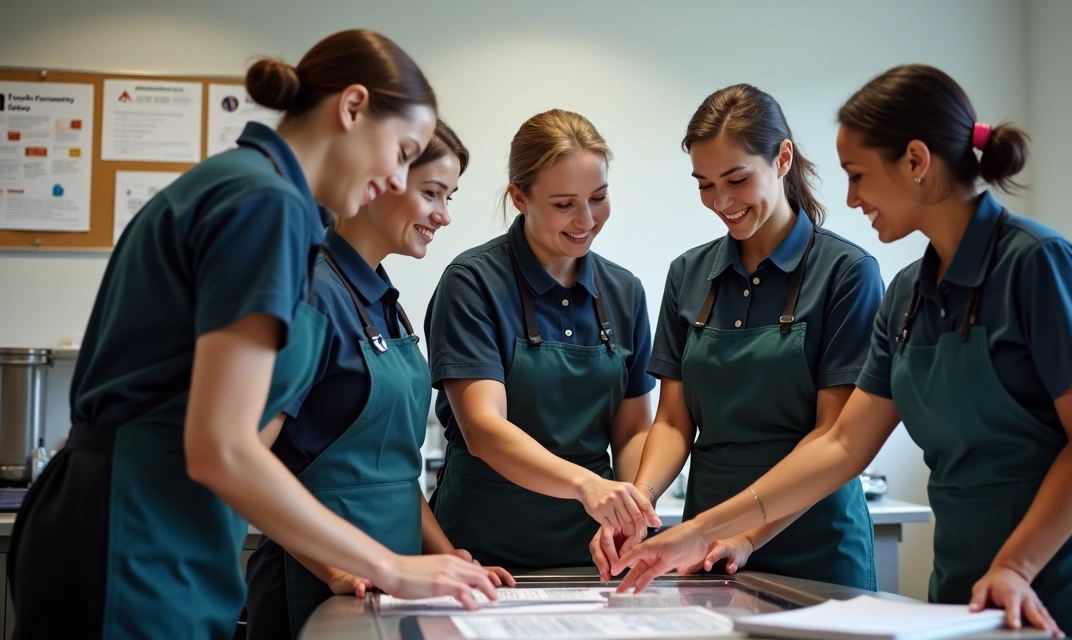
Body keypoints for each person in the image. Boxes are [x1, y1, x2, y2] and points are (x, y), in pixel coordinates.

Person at [613, 64, 1072, 640]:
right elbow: (844, 444)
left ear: (916, 162)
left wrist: (1016, 565)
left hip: (1059, 568)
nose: (849, 196)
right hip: (966, 568)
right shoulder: (909, 293)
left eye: (858, 174)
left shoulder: (1038, 263)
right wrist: (703, 530)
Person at [8, 30, 497, 640]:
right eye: (402, 153)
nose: (398, 179)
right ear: (351, 108)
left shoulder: (256, 190)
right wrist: (388, 565)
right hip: (135, 527)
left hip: (156, 522)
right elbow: (224, 447)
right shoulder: (264, 203)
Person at [590, 84, 880, 590]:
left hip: (815, 544)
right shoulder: (689, 274)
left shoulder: (847, 273)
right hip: (707, 552)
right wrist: (639, 506)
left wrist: (748, 536)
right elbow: (675, 421)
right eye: (704, 184)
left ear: (782, 158)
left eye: (737, 179)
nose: (720, 201)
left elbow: (832, 438)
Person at [244, 121, 514, 639]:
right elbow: (246, 462)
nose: (444, 215)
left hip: (392, 579)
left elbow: (390, 476)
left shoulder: (382, 301)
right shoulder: (313, 294)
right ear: (379, 182)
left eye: (449, 196)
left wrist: (448, 557)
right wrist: (334, 568)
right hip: (318, 583)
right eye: (431, 193)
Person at [425, 109, 661, 569]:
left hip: (593, 554)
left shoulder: (624, 291)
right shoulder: (472, 283)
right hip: (482, 553)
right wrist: (584, 485)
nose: (586, 219)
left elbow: (633, 429)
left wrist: (629, 516)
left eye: (599, 197)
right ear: (520, 197)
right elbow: (484, 431)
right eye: (564, 203)